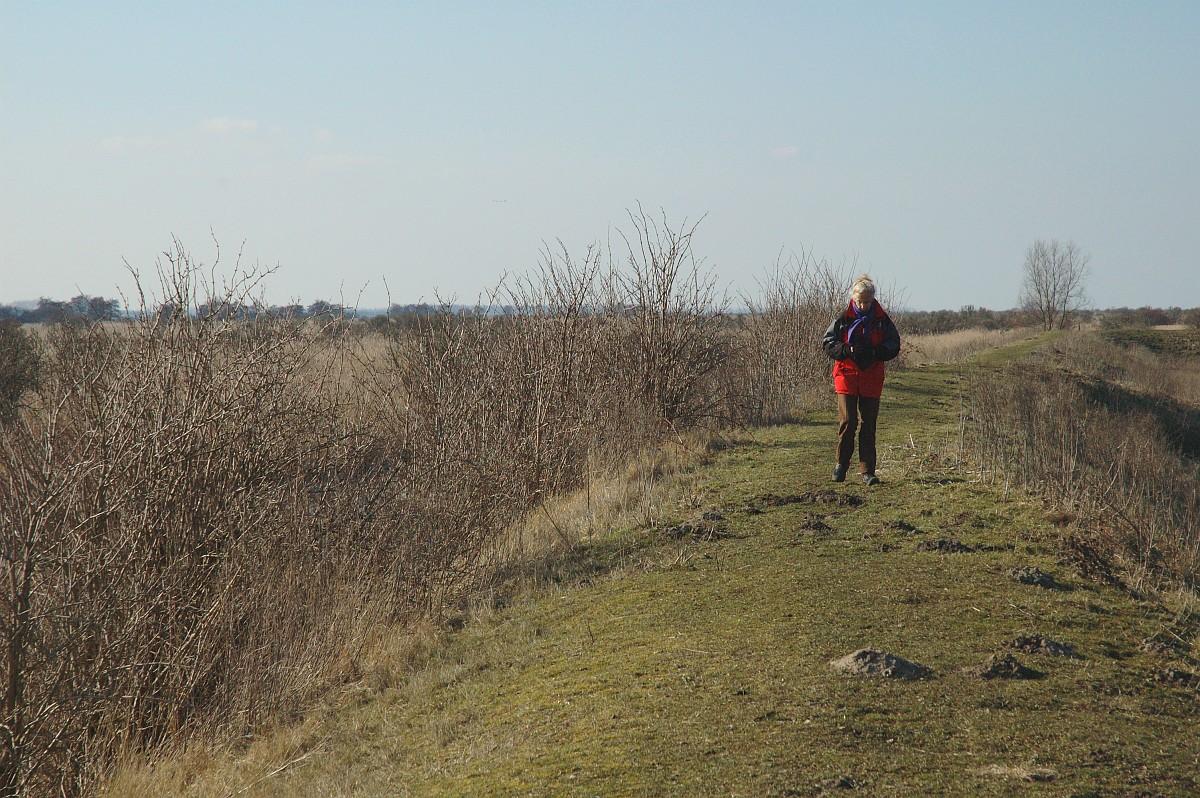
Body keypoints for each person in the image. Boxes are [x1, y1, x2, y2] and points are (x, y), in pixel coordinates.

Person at [821, 274, 901, 485]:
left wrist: (875, 352)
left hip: (872, 375)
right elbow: (828, 343)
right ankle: (841, 464)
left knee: (868, 424)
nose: (864, 306)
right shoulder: (843, 319)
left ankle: (868, 472)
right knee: (849, 421)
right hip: (846, 374)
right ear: (853, 299)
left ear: (873, 299)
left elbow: (894, 345)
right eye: (860, 302)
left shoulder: (882, 321)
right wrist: (847, 349)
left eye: (867, 302)